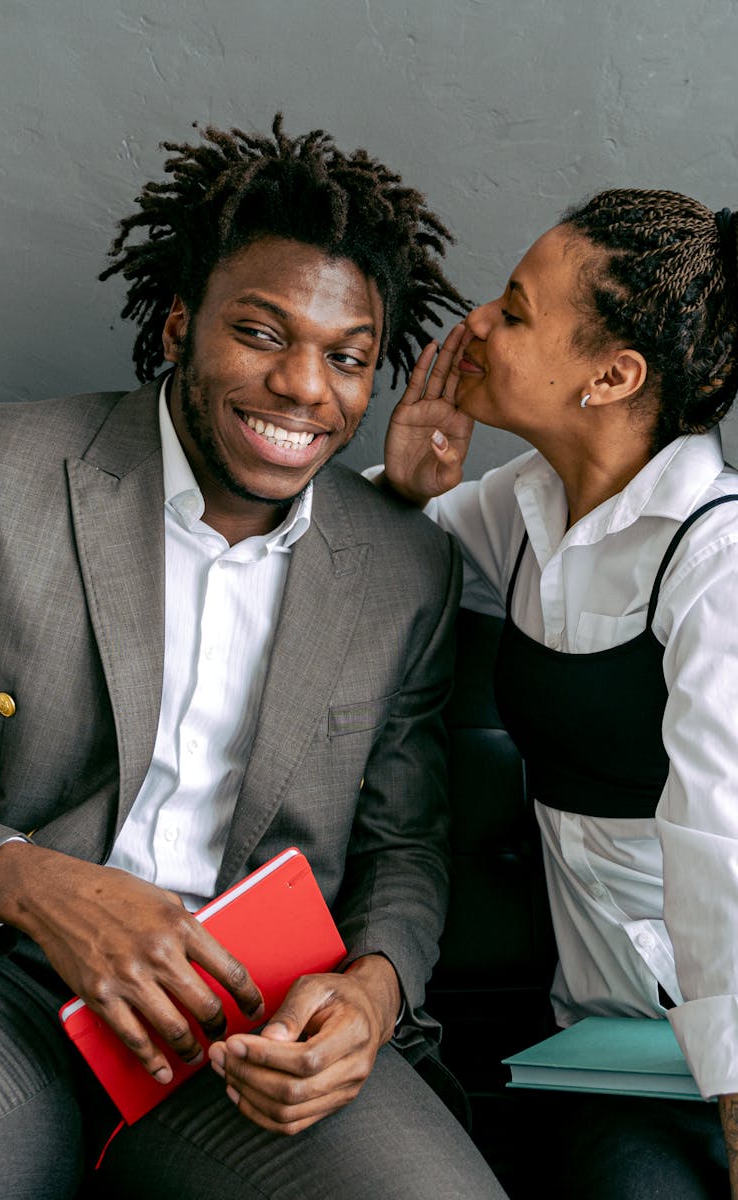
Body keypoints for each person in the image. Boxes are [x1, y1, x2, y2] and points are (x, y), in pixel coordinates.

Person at [0, 116, 509, 1200]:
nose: (304, 387)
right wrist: (37, 886)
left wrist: (371, 996)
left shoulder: (400, 568)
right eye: (261, 334)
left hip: (252, 1025)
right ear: (177, 327)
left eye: (346, 358)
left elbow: (405, 849)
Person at [378, 188, 738, 1199]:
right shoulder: (521, 507)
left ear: (611, 376)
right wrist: (401, 492)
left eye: (513, 307)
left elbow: (720, 841)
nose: (474, 326)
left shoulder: (714, 559)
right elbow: (356, 581)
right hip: (612, 1050)